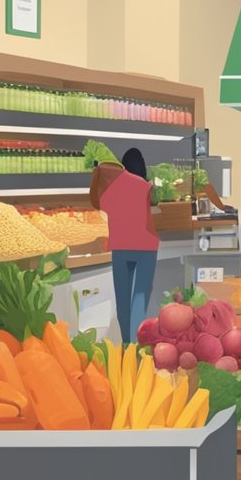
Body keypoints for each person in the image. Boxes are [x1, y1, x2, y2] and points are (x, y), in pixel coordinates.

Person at [90, 147, 159, 344]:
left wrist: (96, 176)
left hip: (120, 246)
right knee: (139, 295)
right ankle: (135, 345)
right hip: (145, 246)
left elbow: (98, 204)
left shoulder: (113, 187)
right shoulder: (144, 186)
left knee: (122, 297)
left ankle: (127, 343)